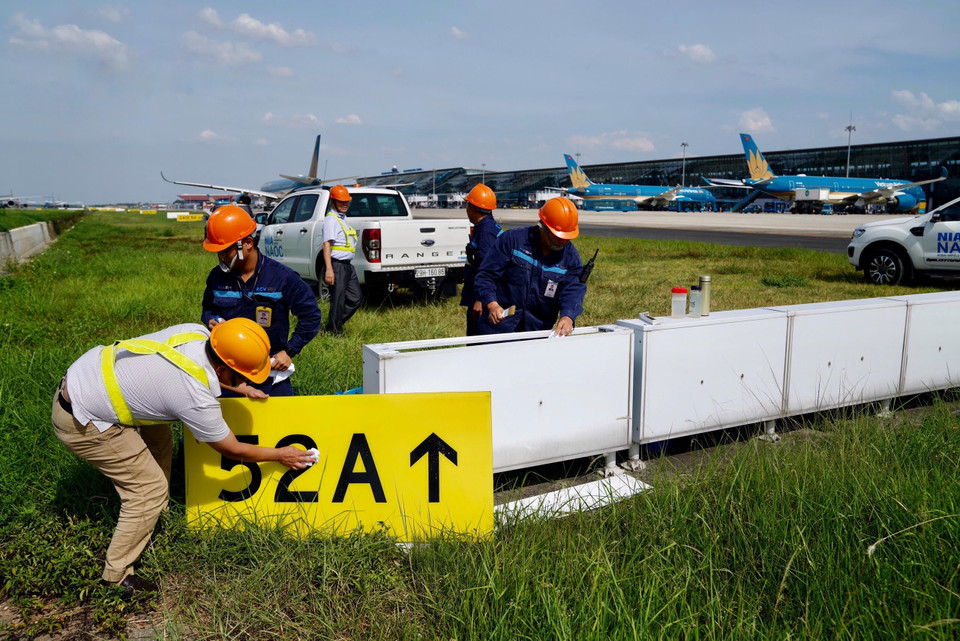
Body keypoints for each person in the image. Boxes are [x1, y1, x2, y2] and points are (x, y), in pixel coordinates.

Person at [51, 319, 317, 596]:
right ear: (222, 368)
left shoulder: (197, 333)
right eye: (243, 377)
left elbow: (196, 371)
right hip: (83, 421)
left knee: (160, 437)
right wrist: (280, 454)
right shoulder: (195, 396)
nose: (248, 381)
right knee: (147, 490)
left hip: (87, 379)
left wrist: (239, 388)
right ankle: (116, 576)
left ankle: (152, 516)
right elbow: (232, 449)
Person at [202, 205, 321, 397]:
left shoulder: (282, 277)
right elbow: (207, 309)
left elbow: (311, 316)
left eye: (226, 250)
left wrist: (289, 351)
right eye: (218, 251)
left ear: (248, 243)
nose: (221, 256)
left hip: (269, 374)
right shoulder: (217, 277)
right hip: (227, 375)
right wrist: (210, 319)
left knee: (281, 425)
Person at [474, 197, 587, 336]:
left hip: (537, 332)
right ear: (543, 227)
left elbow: (573, 290)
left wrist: (568, 316)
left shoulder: (571, 258)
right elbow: (485, 276)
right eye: (557, 237)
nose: (563, 242)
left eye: (567, 237)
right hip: (498, 329)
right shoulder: (512, 240)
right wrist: (491, 304)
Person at [460, 183, 502, 336]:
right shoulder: (487, 227)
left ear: (472, 208)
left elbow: (487, 267)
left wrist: (480, 299)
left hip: (482, 300)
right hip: (482, 295)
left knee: (478, 341)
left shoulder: (486, 232)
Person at [321, 185, 362, 336]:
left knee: (355, 298)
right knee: (337, 300)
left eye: (346, 201)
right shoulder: (331, 220)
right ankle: (334, 332)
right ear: (332, 202)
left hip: (347, 267)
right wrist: (329, 269)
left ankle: (333, 325)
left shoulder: (342, 219)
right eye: (341, 201)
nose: (345, 204)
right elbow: (326, 244)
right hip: (337, 265)